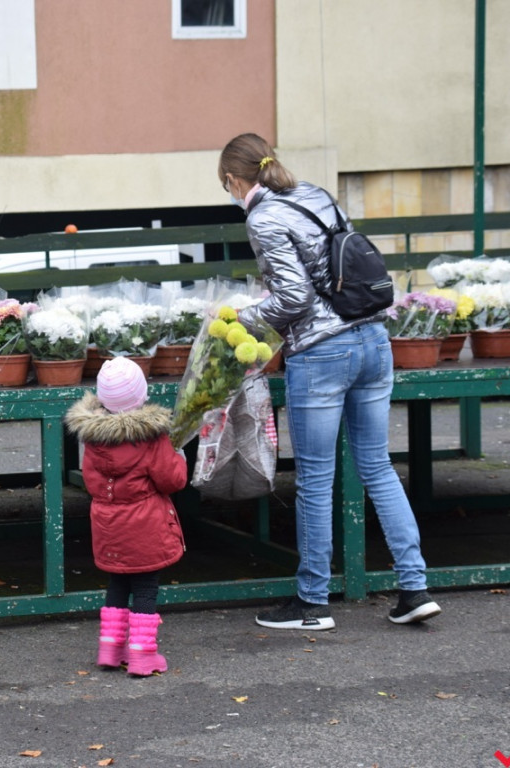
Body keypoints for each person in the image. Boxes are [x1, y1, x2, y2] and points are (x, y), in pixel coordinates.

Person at [218, 132, 441, 630]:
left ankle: (313, 603)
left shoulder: (263, 215)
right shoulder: (314, 193)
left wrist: (242, 317)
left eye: (227, 186)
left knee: (316, 479)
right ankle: (414, 588)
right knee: (378, 468)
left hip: (323, 353)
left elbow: (294, 299)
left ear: (234, 179)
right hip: (373, 340)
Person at [64, 357, 188, 676]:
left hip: (108, 525)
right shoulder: (151, 436)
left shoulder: (94, 437)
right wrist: (179, 456)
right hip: (144, 525)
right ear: (142, 395)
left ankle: (110, 648)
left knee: (117, 582)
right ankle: (142, 655)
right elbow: (171, 480)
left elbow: (92, 480)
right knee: (145, 587)